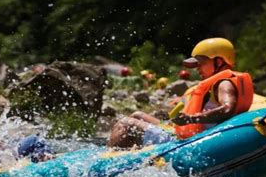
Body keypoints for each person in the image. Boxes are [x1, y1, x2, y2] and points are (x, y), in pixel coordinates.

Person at [107, 38, 254, 148]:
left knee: (126, 124)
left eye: (200, 63)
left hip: (191, 143)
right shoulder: (228, 81)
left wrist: (191, 118)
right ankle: (132, 156)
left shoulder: (224, 83)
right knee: (138, 115)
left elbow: (227, 108)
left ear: (219, 62)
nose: (197, 68)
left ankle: (107, 160)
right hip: (188, 135)